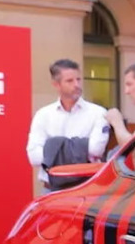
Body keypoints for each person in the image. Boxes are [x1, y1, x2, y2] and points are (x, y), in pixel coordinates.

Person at [26, 58, 109, 186]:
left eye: (78, 79)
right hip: (51, 188)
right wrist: (81, 148)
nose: (76, 84)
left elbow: (96, 149)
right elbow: (34, 157)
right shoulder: (43, 115)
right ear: (56, 84)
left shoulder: (98, 113)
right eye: (70, 81)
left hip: (87, 187)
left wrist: (53, 148)